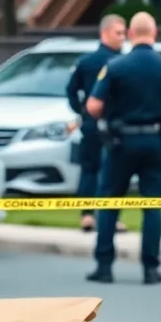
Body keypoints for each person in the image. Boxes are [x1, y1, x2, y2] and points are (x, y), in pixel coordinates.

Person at [83, 11, 161, 285]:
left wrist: (112, 116)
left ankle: (104, 267)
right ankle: (151, 269)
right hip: (156, 142)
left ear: (131, 34)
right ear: (154, 33)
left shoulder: (115, 66)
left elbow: (93, 106)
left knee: (110, 202)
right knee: (152, 205)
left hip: (121, 142)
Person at [65, 14, 127, 233]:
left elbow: (71, 92)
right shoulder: (119, 63)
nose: (122, 37)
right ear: (104, 33)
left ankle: (88, 215)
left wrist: (81, 111)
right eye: (118, 33)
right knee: (110, 172)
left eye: (124, 33)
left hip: (92, 124)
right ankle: (107, 217)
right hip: (113, 124)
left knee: (90, 170)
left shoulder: (85, 62)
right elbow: (72, 90)